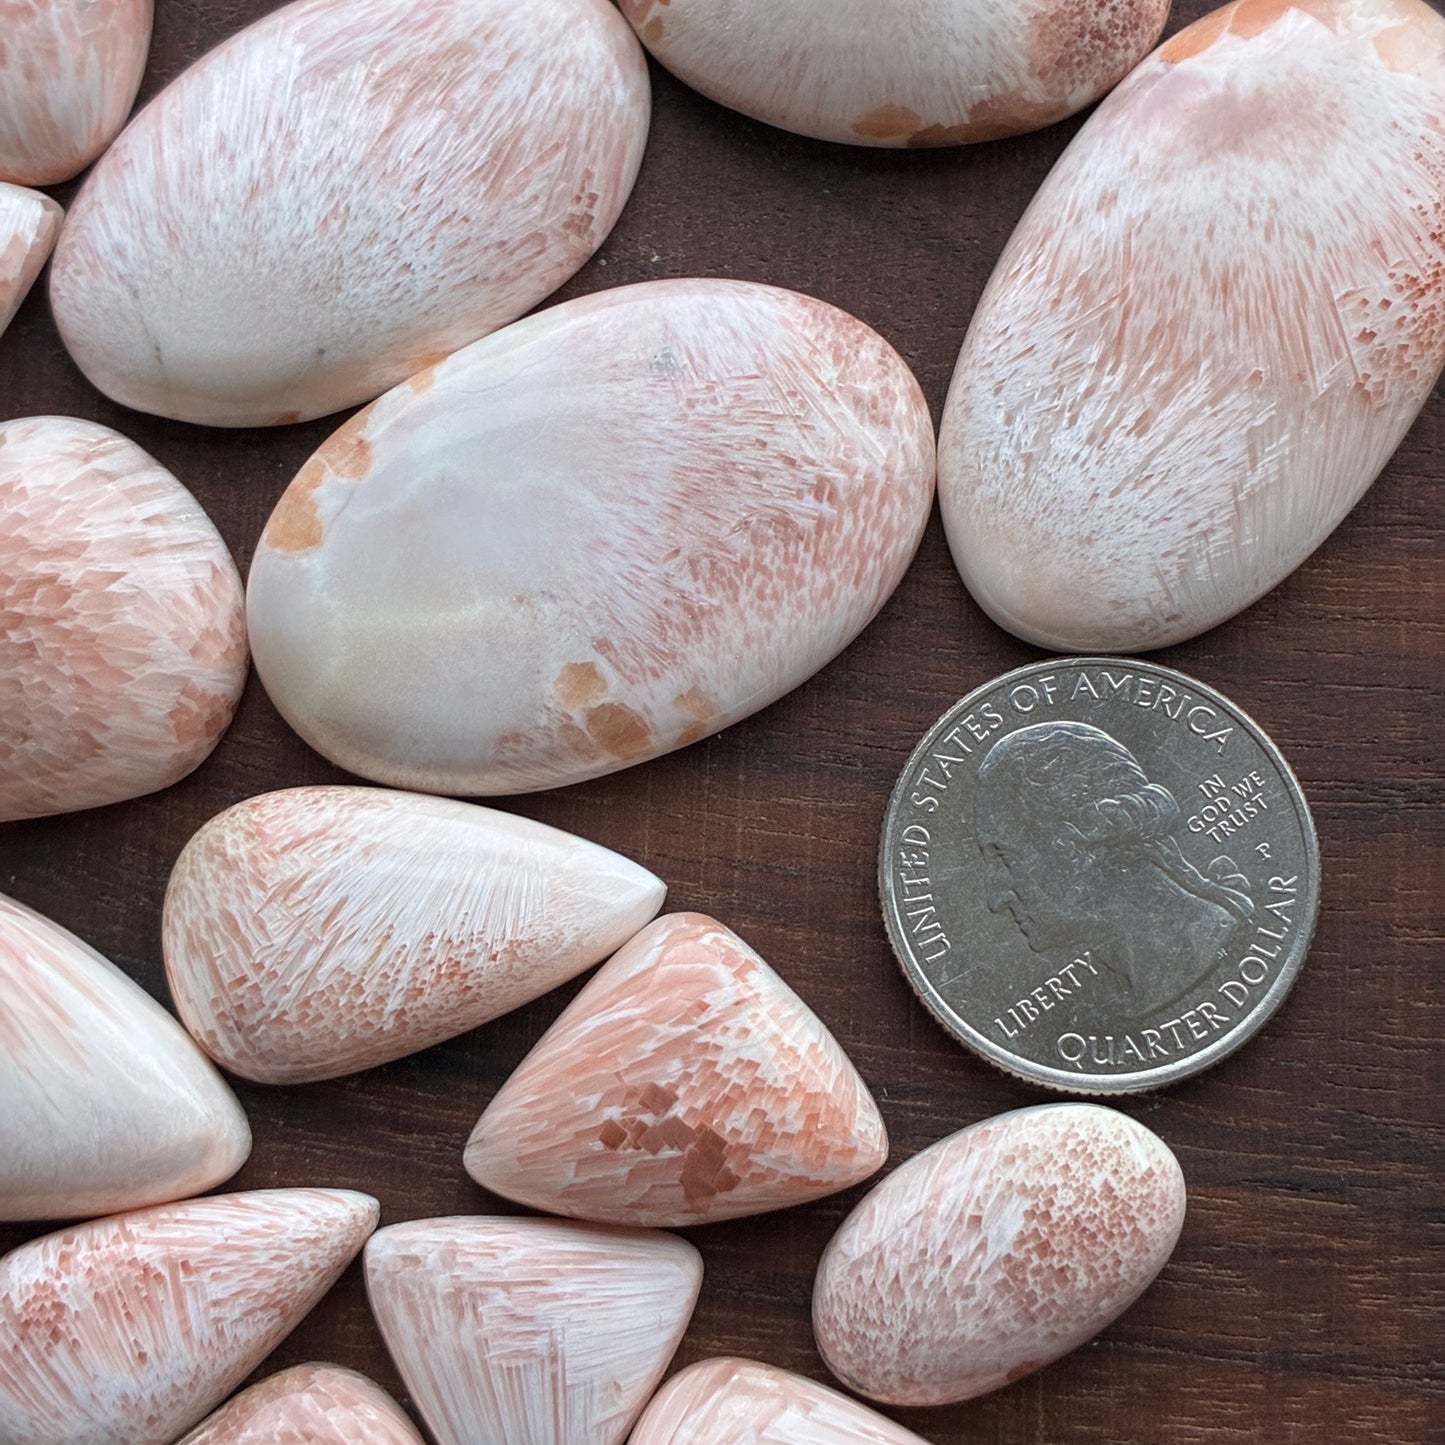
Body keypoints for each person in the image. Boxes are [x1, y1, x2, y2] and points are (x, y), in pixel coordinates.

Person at [974, 720, 1253, 1018]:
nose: (996, 898)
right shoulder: (1140, 988)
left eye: (1005, 856)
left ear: (1081, 837)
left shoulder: (1206, 948)